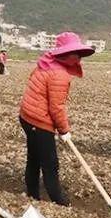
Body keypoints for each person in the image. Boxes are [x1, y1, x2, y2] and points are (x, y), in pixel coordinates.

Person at [19, 32, 94, 206]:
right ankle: (58, 201)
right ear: (64, 54)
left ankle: (33, 195)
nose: (77, 58)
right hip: (38, 119)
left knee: (34, 157)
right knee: (50, 163)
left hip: (27, 116)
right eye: (74, 54)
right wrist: (64, 130)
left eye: (78, 54)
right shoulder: (59, 74)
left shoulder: (47, 63)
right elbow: (56, 107)